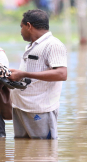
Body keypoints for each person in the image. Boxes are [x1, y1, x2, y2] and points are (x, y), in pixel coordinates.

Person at [8, 9, 67, 139]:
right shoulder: (32, 46)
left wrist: (23, 74)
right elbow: (27, 74)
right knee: (22, 153)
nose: (20, 31)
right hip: (21, 107)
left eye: (21, 27)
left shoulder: (53, 44)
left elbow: (62, 74)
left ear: (28, 26)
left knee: (42, 153)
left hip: (40, 110)